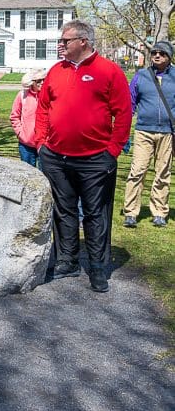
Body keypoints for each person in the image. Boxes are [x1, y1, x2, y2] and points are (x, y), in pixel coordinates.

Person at [35, 20, 131, 293]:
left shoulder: (108, 71)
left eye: (65, 41)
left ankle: (98, 268)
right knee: (64, 211)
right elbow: (43, 108)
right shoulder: (55, 71)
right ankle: (68, 260)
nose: (60, 45)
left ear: (83, 42)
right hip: (56, 157)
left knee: (94, 214)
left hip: (94, 159)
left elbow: (123, 114)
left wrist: (112, 150)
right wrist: (41, 142)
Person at [122, 41, 175, 228]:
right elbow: (130, 103)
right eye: (154, 52)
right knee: (137, 171)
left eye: (162, 53)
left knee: (163, 173)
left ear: (169, 57)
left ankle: (159, 212)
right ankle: (130, 212)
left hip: (167, 133)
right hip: (143, 130)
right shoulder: (141, 76)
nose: (157, 56)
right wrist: (124, 130)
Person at [10, 68, 46, 166]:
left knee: (45, 176)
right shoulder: (22, 95)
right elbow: (14, 116)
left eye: (44, 80)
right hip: (26, 145)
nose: (42, 83)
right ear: (31, 82)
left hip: (45, 144)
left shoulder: (49, 96)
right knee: (28, 174)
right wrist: (20, 134)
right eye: (38, 81)